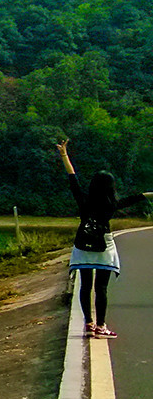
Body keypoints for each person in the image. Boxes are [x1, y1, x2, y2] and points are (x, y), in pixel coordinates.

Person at [58, 139, 151, 338]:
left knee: (85, 286)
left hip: (83, 245)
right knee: (101, 288)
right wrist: (149, 194)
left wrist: (64, 155)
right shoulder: (111, 204)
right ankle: (101, 326)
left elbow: (72, 179)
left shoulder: (84, 200)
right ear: (110, 186)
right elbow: (136, 197)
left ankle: (88, 324)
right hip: (103, 245)